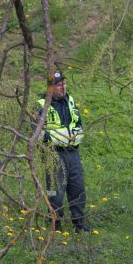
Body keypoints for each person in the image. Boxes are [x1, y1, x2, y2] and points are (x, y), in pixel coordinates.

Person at [38, 71, 90, 232]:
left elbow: (78, 123)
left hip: (73, 152)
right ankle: (55, 225)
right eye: (59, 84)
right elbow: (36, 132)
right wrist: (57, 139)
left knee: (78, 188)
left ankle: (79, 224)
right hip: (54, 154)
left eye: (64, 84)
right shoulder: (41, 105)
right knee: (56, 192)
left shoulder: (70, 101)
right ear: (50, 87)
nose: (62, 87)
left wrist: (74, 137)